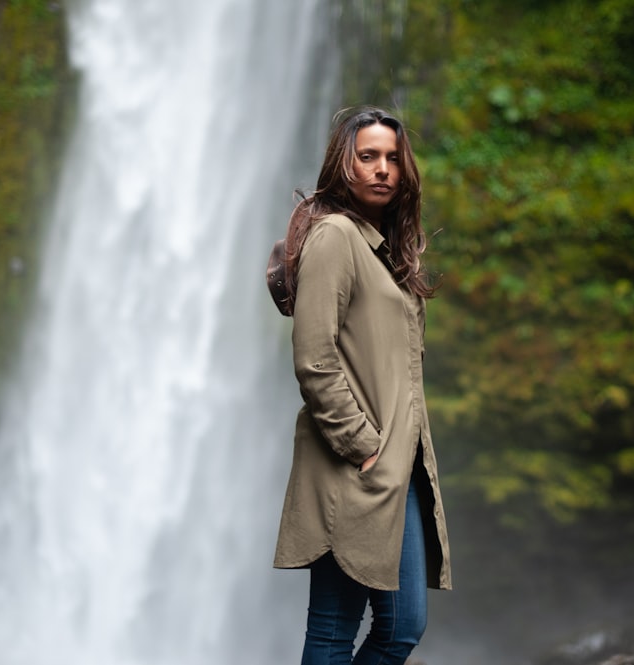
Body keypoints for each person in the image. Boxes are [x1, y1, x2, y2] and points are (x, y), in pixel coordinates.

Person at [271, 106, 452, 665]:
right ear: (342, 164)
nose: (382, 169)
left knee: (402, 628)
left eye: (392, 158)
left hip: (400, 469)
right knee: (333, 628)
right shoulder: (335, 237)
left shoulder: (384, 252)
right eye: (367, 156)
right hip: (355, 466)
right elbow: (315, 358)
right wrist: (362, 444)